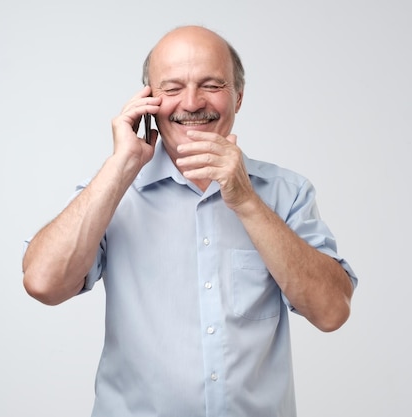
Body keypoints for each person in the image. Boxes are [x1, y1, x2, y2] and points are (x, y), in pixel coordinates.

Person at [23, 25, 357, 417]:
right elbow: (42, 283)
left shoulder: (287, 192)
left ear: (239, 97)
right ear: (148, 100)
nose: (192, 102)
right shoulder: (113, 192)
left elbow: (332, 312)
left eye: (212, 84)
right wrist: (121, 166)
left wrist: (248, 202)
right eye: (172, 87)